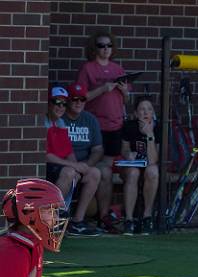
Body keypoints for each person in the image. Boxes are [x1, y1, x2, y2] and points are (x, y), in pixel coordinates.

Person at [76, 31, 130, 232]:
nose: (105, 49)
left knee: (107, 172)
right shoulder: (88, 68)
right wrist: (102, 88)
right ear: (94, 47)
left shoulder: (118, 69)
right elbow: (80, 98)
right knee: (101, 171)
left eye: (109, 45)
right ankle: (98, 214)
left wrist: (124, 92)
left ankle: (104, 216)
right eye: (101, 45)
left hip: (115, 126)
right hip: (96, 127)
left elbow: (126, 101)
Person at [63, 82, 120, 234]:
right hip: (65, 163)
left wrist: (87, 165)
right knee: (72, 172)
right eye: (74, 99)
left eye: (82, 99)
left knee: (101, 171)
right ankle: (59, 219)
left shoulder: (90, 119)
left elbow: (97, 150)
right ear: (67, 100)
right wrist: (76, 166)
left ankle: (91, 219)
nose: (78, 103)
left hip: (86, 162)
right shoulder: (60, 118)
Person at [44, 86, 101, 236]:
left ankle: (77, 222)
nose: (60, 107)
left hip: (61, 166)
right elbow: (46, 155)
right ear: (48, 103)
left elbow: (68, 152)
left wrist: (79, 168)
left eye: (63, 103)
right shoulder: (44, 122)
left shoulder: (61, 123)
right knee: (69, 172)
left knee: (94, 172)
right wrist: (74, 166)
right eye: (57, 102)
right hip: (44, 167)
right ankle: (51, 219)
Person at [119, 96, 159, 235]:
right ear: (136, 113)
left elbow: (153, 159)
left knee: (153, 171)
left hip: (149, 165)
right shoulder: (129, 126)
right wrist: (128, 154)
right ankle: (129, 220)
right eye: (142, 109)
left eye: (149, 109)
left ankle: (147, 217)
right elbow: (124, 149)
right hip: (132, 166)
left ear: (153, 113)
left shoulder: (158, 127)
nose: (146, 112)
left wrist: (149, 134)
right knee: (133, 173)